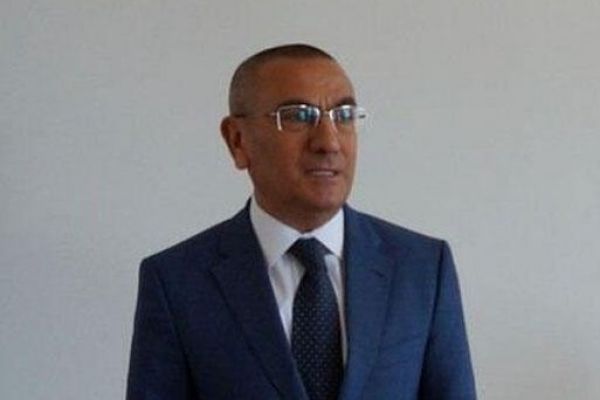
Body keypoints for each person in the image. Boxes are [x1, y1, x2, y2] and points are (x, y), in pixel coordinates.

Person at [126, 44, 476, 400]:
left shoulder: (421, 269)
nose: (329, 142)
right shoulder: (177, 282)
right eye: (298, 116)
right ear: (237, 141)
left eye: (343, 115)